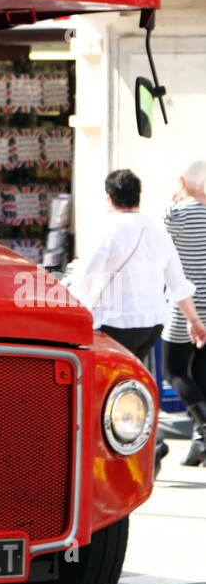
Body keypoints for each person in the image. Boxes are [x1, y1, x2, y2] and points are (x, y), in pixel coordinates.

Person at [70, 169, 206, 473]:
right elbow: (178, 283)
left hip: (113, 324)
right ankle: (147, 441)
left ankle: (142, 444)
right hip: (151, 325)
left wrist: (73, 305)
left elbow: (85, 276)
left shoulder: (107, 230)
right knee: (131, 381)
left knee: (101, 388)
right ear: (137, 196)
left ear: (109, 198)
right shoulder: (157, 232)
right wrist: (195, 322)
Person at [162, 160, 206, 466]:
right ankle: (199, 443)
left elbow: (162, 252)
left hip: (184, 303)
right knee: (201, 373)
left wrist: (176, 198)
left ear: (182, 180)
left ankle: (204, 427)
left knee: (173, 370)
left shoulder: (175, 214)